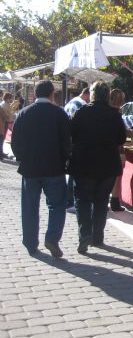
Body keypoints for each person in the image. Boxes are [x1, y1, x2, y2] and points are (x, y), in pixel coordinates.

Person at [11, 80, 71, 257]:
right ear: (52, 93)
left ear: (35, 94)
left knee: (30, 207)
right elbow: (67, 142)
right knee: (57, 205)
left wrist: (23, 158)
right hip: (54, 168)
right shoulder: (59, 114)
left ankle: (30, 243)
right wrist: (65, 160)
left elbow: (15, 143)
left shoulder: (23, 113)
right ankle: (52, 238)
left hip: (30, 169)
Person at [67, 81, 126, 254]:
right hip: (107, 165)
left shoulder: (82, 112)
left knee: (83, 200)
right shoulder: (114, 114)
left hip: (84, 164)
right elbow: (121, 138)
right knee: (101, 201)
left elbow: (71, 134)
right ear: (107, 95)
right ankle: (98, 236)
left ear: (92, 94)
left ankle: (85, 233)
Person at [108, 88, 133, 212]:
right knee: (116, 177)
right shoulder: (116, 114)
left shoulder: (107, 112)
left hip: (106, 151)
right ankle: (114, 201)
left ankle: (108, 200)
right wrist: (132, 135)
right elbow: (121, 134)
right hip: (116, 151)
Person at [0, 92, 14, 159]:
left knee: (2, 138)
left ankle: (1, 152)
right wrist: (9, 117)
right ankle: (1, 153)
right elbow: (5, 115)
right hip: (3, 123)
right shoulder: (4, 104)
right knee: (1, 138)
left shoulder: (4, 104)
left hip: (4, 122)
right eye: (10, 98)